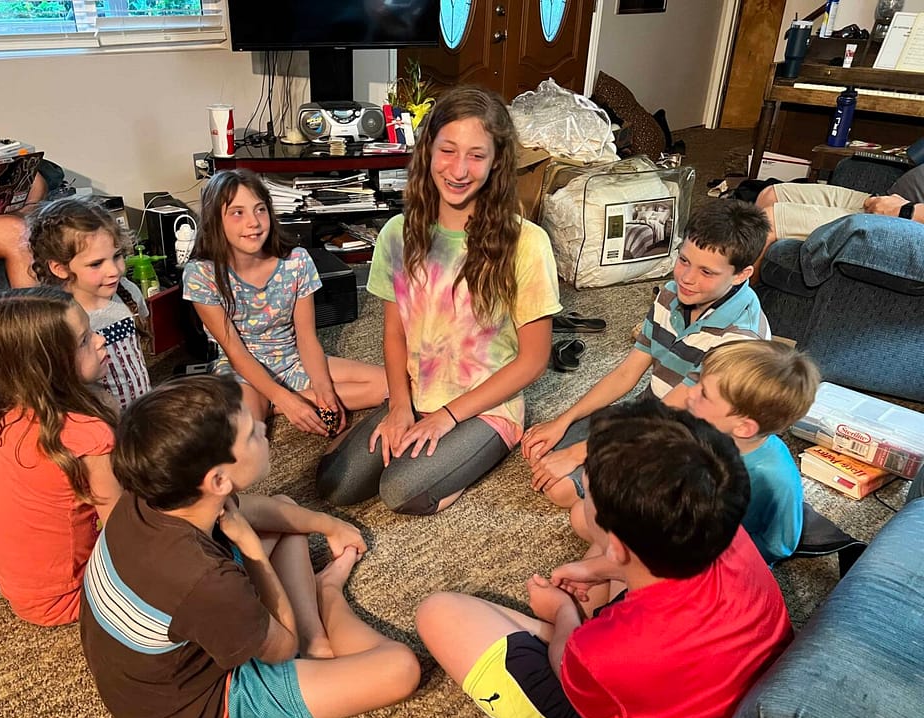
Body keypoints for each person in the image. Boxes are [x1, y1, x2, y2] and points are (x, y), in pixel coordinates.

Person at [416, 398, 793, 718]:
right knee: (587, 538)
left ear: (617, 547)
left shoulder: (605, 648)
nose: (583, 492)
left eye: (586, 488)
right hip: (706, 685)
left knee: (439, 613)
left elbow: (575, 680)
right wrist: (603, 569)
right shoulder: (726, 531)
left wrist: (564, 615)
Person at [78, 375, 420, 718]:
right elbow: (282, 647)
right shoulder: (207, 581)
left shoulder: (152, 495)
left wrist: (329, 525)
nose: (263, 427)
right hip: (200, 711)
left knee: (288, 513)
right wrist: (252, 549)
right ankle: (326, 596)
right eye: (251, 434)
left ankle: (317, 642)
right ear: (218, 480)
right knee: (400, 669)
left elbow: (248, 510)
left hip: (172, 653)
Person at [314, 85, 562, 516]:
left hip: (486, 406)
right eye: (448, 150)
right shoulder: (397, 233)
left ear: (497, 161)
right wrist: (397, 406)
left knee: (400, 491)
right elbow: (393, 334)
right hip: (418, 392)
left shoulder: (528, 243)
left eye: (476, 155)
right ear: (427, 150)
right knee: (335, 485)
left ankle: (480, 454)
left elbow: (533, 360)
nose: (459, 169)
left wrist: (447, 416)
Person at [522, 200, 771, 509]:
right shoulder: (671, 294)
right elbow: (628, 372)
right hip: (654, 407)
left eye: (706, 271)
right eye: (683, 260)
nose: (687, 278)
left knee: (562, 489)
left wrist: (578, 453)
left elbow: (676, 411)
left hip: (695, 436)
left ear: (741, 274)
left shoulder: (739, 338)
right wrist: (564, 419)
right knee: (543, 447)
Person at [182, 169, 386, 436]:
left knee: (390, 384)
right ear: (215, 221)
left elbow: (307, 338)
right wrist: (286, 399)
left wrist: (323, 389)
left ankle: (280, 403)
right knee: (247, 432)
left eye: (260, 210)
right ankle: (276, 402)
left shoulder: (297, 261)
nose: (253, 222)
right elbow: (235, 352)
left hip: (293, 359)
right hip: (241, 369)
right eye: (237, 213)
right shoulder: (201, 274)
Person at [0, 287, 120, 626]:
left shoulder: (13, 414)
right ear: (48, 368)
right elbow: (125, 528)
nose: (100, 341)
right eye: (84, 341)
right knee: (197, 513)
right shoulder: (89, 434)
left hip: (25, 589)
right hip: (71, 595)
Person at [684, 339, 820, 565]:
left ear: (744, 427)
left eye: (704, 394)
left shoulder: (774, 478)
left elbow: (780, 544)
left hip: (721, 558)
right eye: (698, 381)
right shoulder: (707, 429)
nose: (690, 392)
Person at [29, 197, 151, 411]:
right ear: (59, 267)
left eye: (117, 256)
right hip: (98, 421)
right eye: (96, 264)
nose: (114, 270)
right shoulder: (62, 318)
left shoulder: (127, 292)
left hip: (141, 411)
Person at [755, 162, 924, 258]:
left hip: (906, 221)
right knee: (772, 194)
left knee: (768, 221)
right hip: (895, 202)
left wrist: (906, 212)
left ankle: (740, 313)